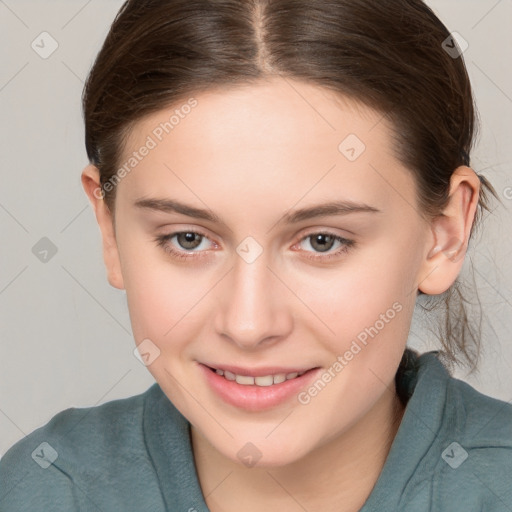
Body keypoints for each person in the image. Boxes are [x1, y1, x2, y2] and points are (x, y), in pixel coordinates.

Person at [1, 0, 511, 510]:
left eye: (322, 241)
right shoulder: (41, 490)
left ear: (443, 235)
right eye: (188, 239)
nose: (248, 325)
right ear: (109, 230)